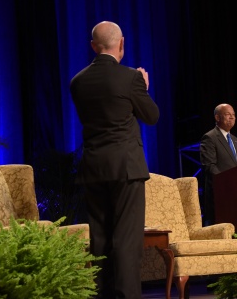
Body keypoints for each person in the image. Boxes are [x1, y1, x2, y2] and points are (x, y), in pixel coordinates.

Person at [70, 21, 159, 299]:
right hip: (126, 168)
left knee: (100, 238)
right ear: (121, 44)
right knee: (126, 240)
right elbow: (151, 116)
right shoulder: (131, 77)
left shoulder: (78, 81)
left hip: (94, 168)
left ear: (93, 47)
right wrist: (142, 88)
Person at [199, 103, 237, 226]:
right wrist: (227, 182)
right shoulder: (209, 138)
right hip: (220, 195)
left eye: (233, 115)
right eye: (227, 114)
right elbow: (209, 166)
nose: (231, 117)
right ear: (217, 117)